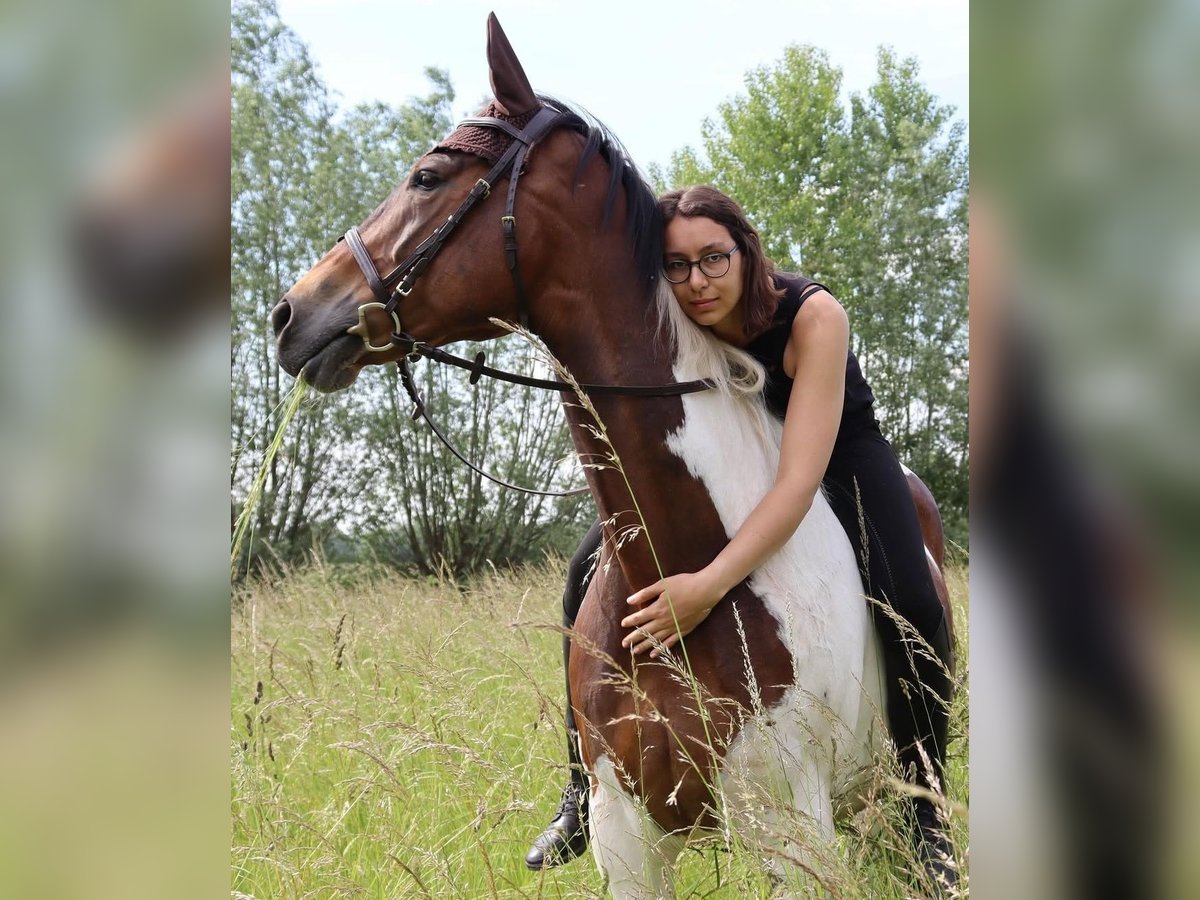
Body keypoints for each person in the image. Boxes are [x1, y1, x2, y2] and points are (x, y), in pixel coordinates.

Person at [525, 185, 956, 888]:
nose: (696, 282)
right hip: (733, 450)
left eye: (713, 259)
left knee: (912, 594)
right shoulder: (667, 311)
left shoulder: (813, 315)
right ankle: (581, 787)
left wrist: (709, 586)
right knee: (584, 573)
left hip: (832, 451)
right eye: (675, 265)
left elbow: (794, 485)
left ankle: (923, 808)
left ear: (745, 250)